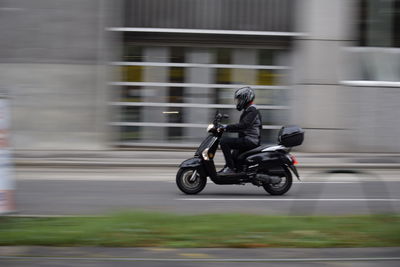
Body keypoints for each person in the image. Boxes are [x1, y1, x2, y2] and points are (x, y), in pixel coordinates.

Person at [218, 86, 262, 175]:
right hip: (247, 139)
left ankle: (230, 169)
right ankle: (230, 168)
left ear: (245, 98)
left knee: (224, 142)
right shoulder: (248, 110)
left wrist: (226, 127)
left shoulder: (252, 111)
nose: (238, 102)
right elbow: (242, 127)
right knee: (234, 154)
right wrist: (225, 129)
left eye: (239, 99)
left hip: (251, 140)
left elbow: (244, 125)